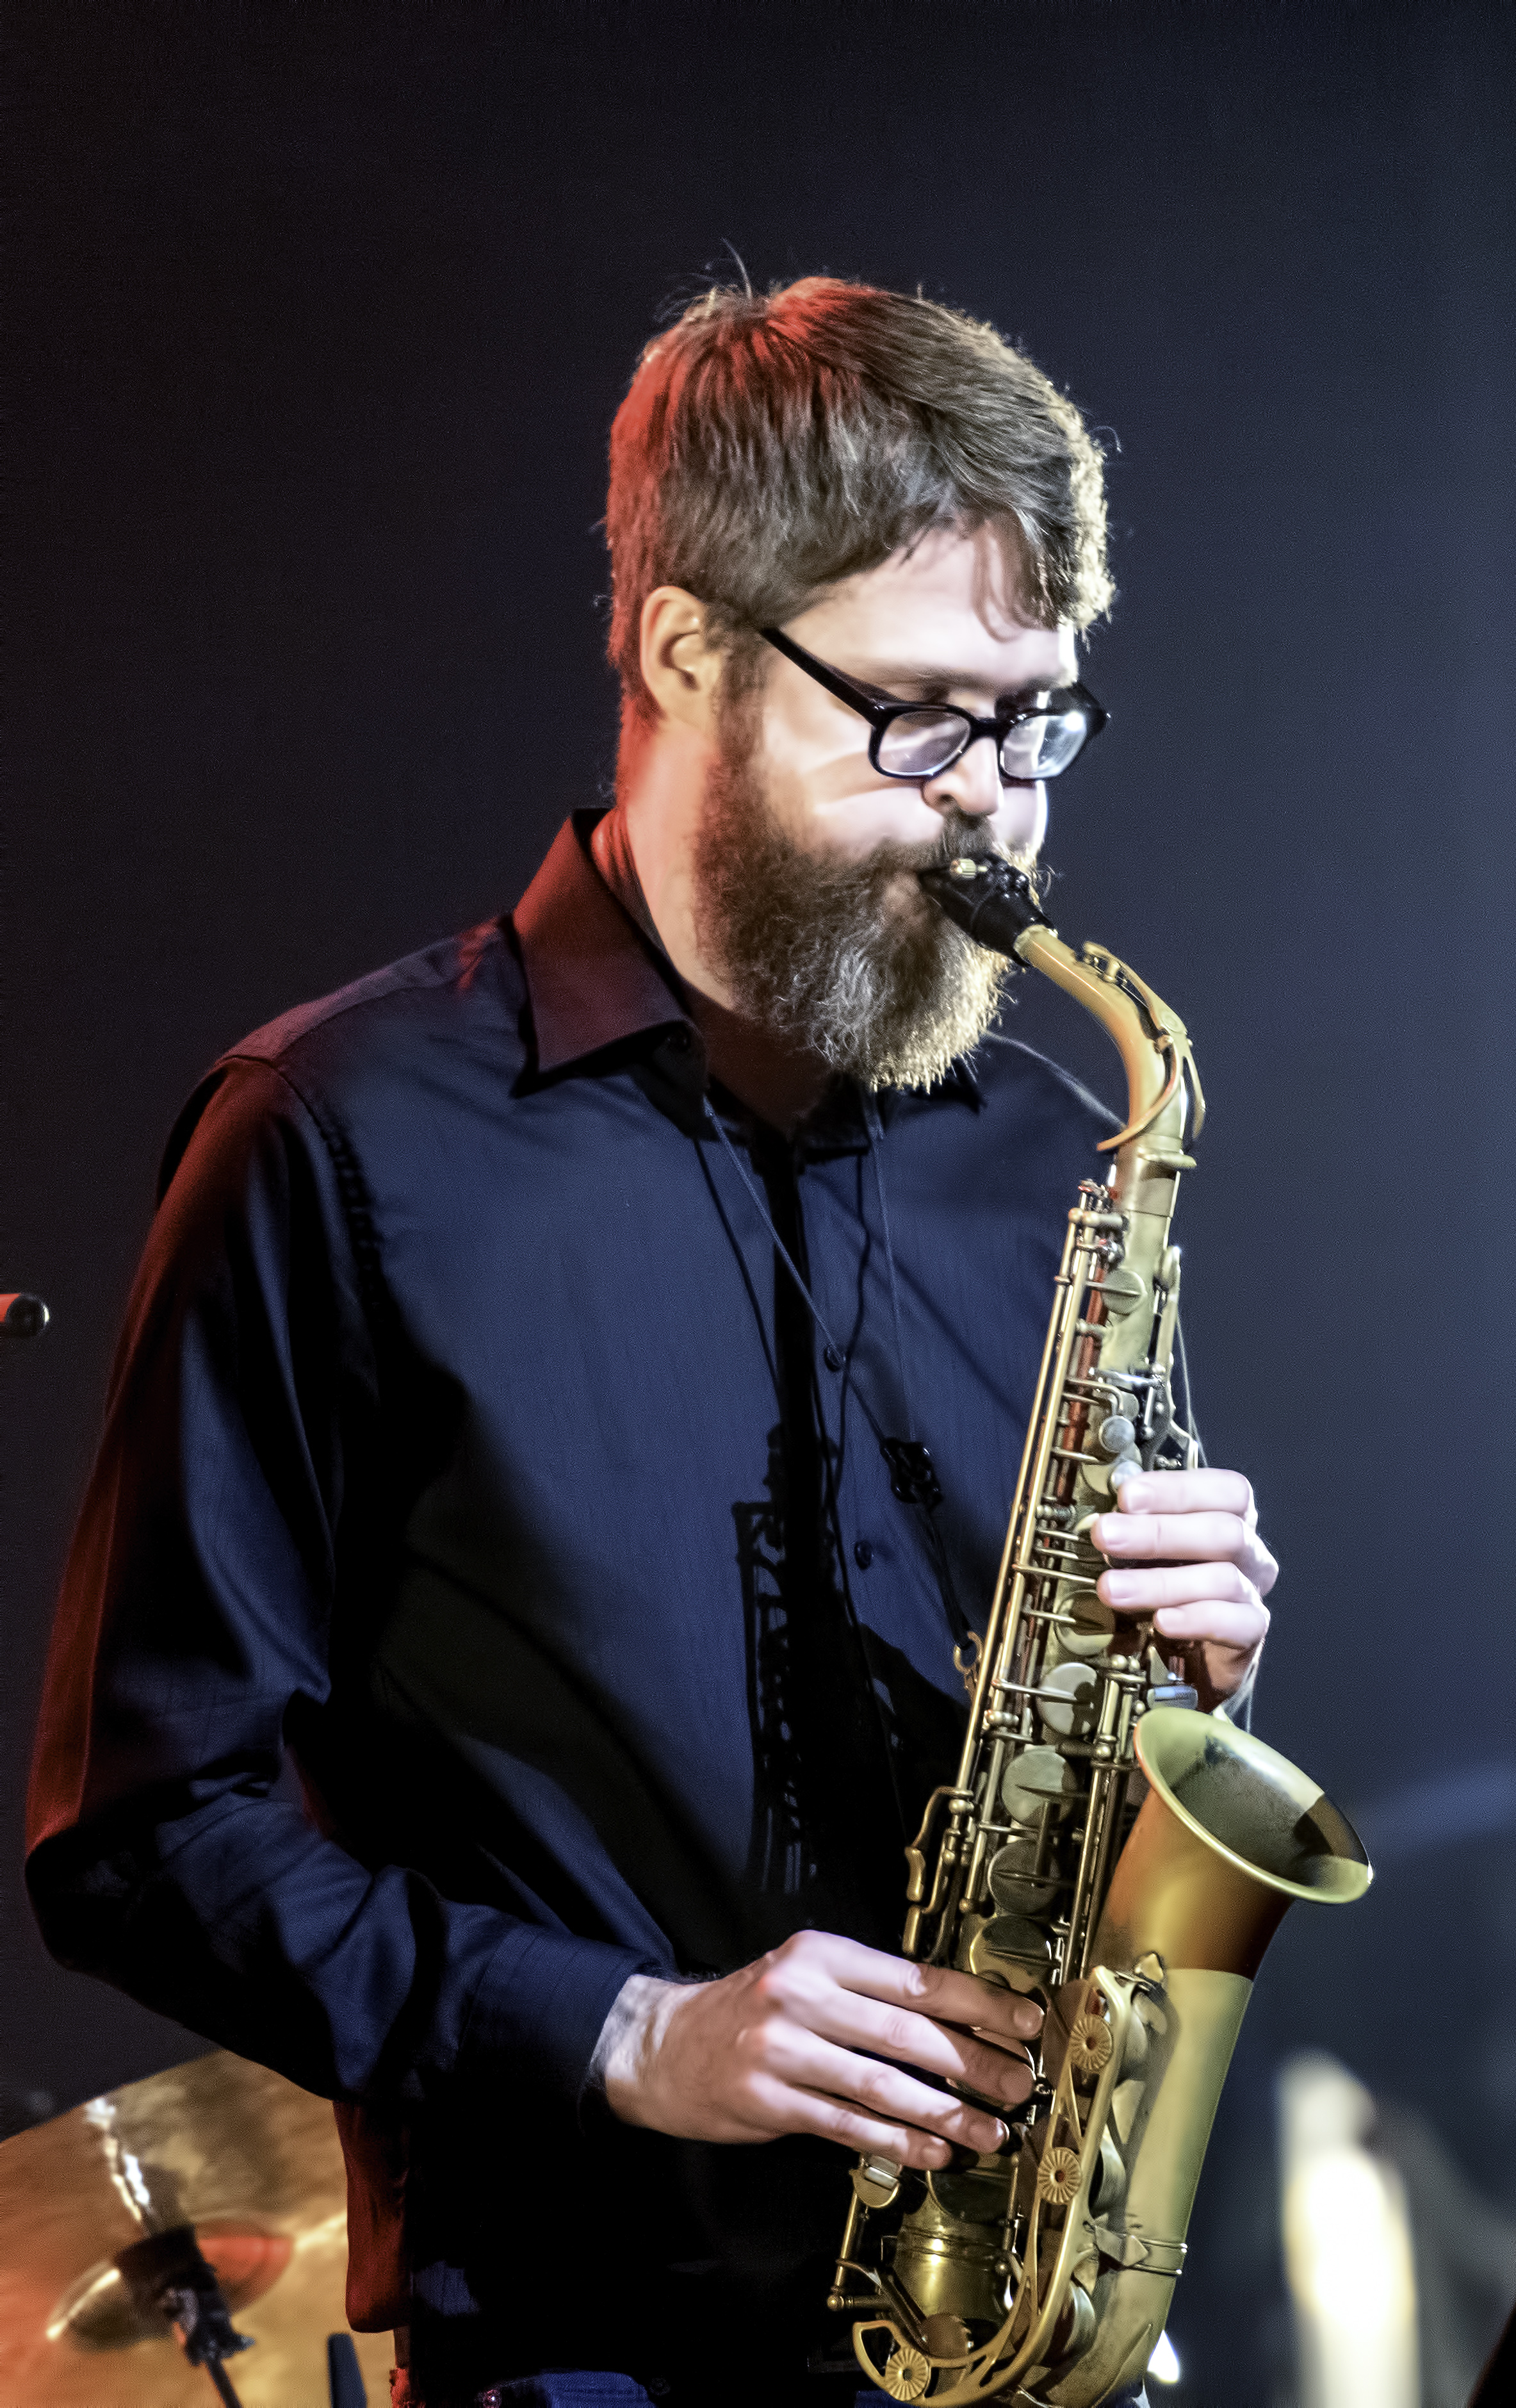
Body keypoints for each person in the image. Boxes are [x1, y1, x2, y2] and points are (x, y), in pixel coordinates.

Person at [25, 279, 1276, 2407]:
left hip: (1013, 2309)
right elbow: (141, 1832)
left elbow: (1069, 1782)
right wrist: (630, 2034)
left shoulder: (1047, 1143)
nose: (1004, 812)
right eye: (923, 719)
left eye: (1038, 720)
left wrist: (1194, 1684)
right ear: (690, 649)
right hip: (587, 2346)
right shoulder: (336, 1136)